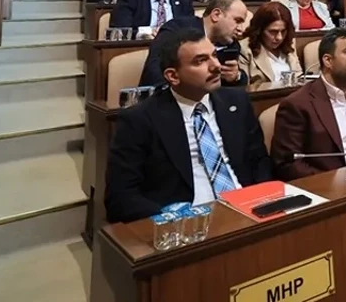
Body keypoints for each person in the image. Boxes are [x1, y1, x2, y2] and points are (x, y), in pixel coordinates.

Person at [104, 27, 272, 223]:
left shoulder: (237, 102)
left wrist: (265, 201)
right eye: (200, 61)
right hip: (188, 224)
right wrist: (172, 218)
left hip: (247, 212)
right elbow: (120, 198)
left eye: (214, 56)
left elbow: (259, 161)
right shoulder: (139, 120)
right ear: (173, 76)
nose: (216, 66)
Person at [270, 27, 346, 181]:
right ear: (328, 60)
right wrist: (333, 181)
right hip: (330, 187)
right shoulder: (298, 104)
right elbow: (288, 164)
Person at [139, 0, 250, 87]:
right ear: (216, 15)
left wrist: (236, 76)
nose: (240, 29)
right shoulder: (177, 29)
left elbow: (228, 91)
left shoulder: (231, 45)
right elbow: (154, 73)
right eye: (237, 21)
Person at [239, 2, 301, 84]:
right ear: (259, 30)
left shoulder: (289, 43)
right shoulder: (245, 48)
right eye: (273, 32)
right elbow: (245, 87)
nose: (279, 37)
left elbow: (298, 76)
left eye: (283, 31)